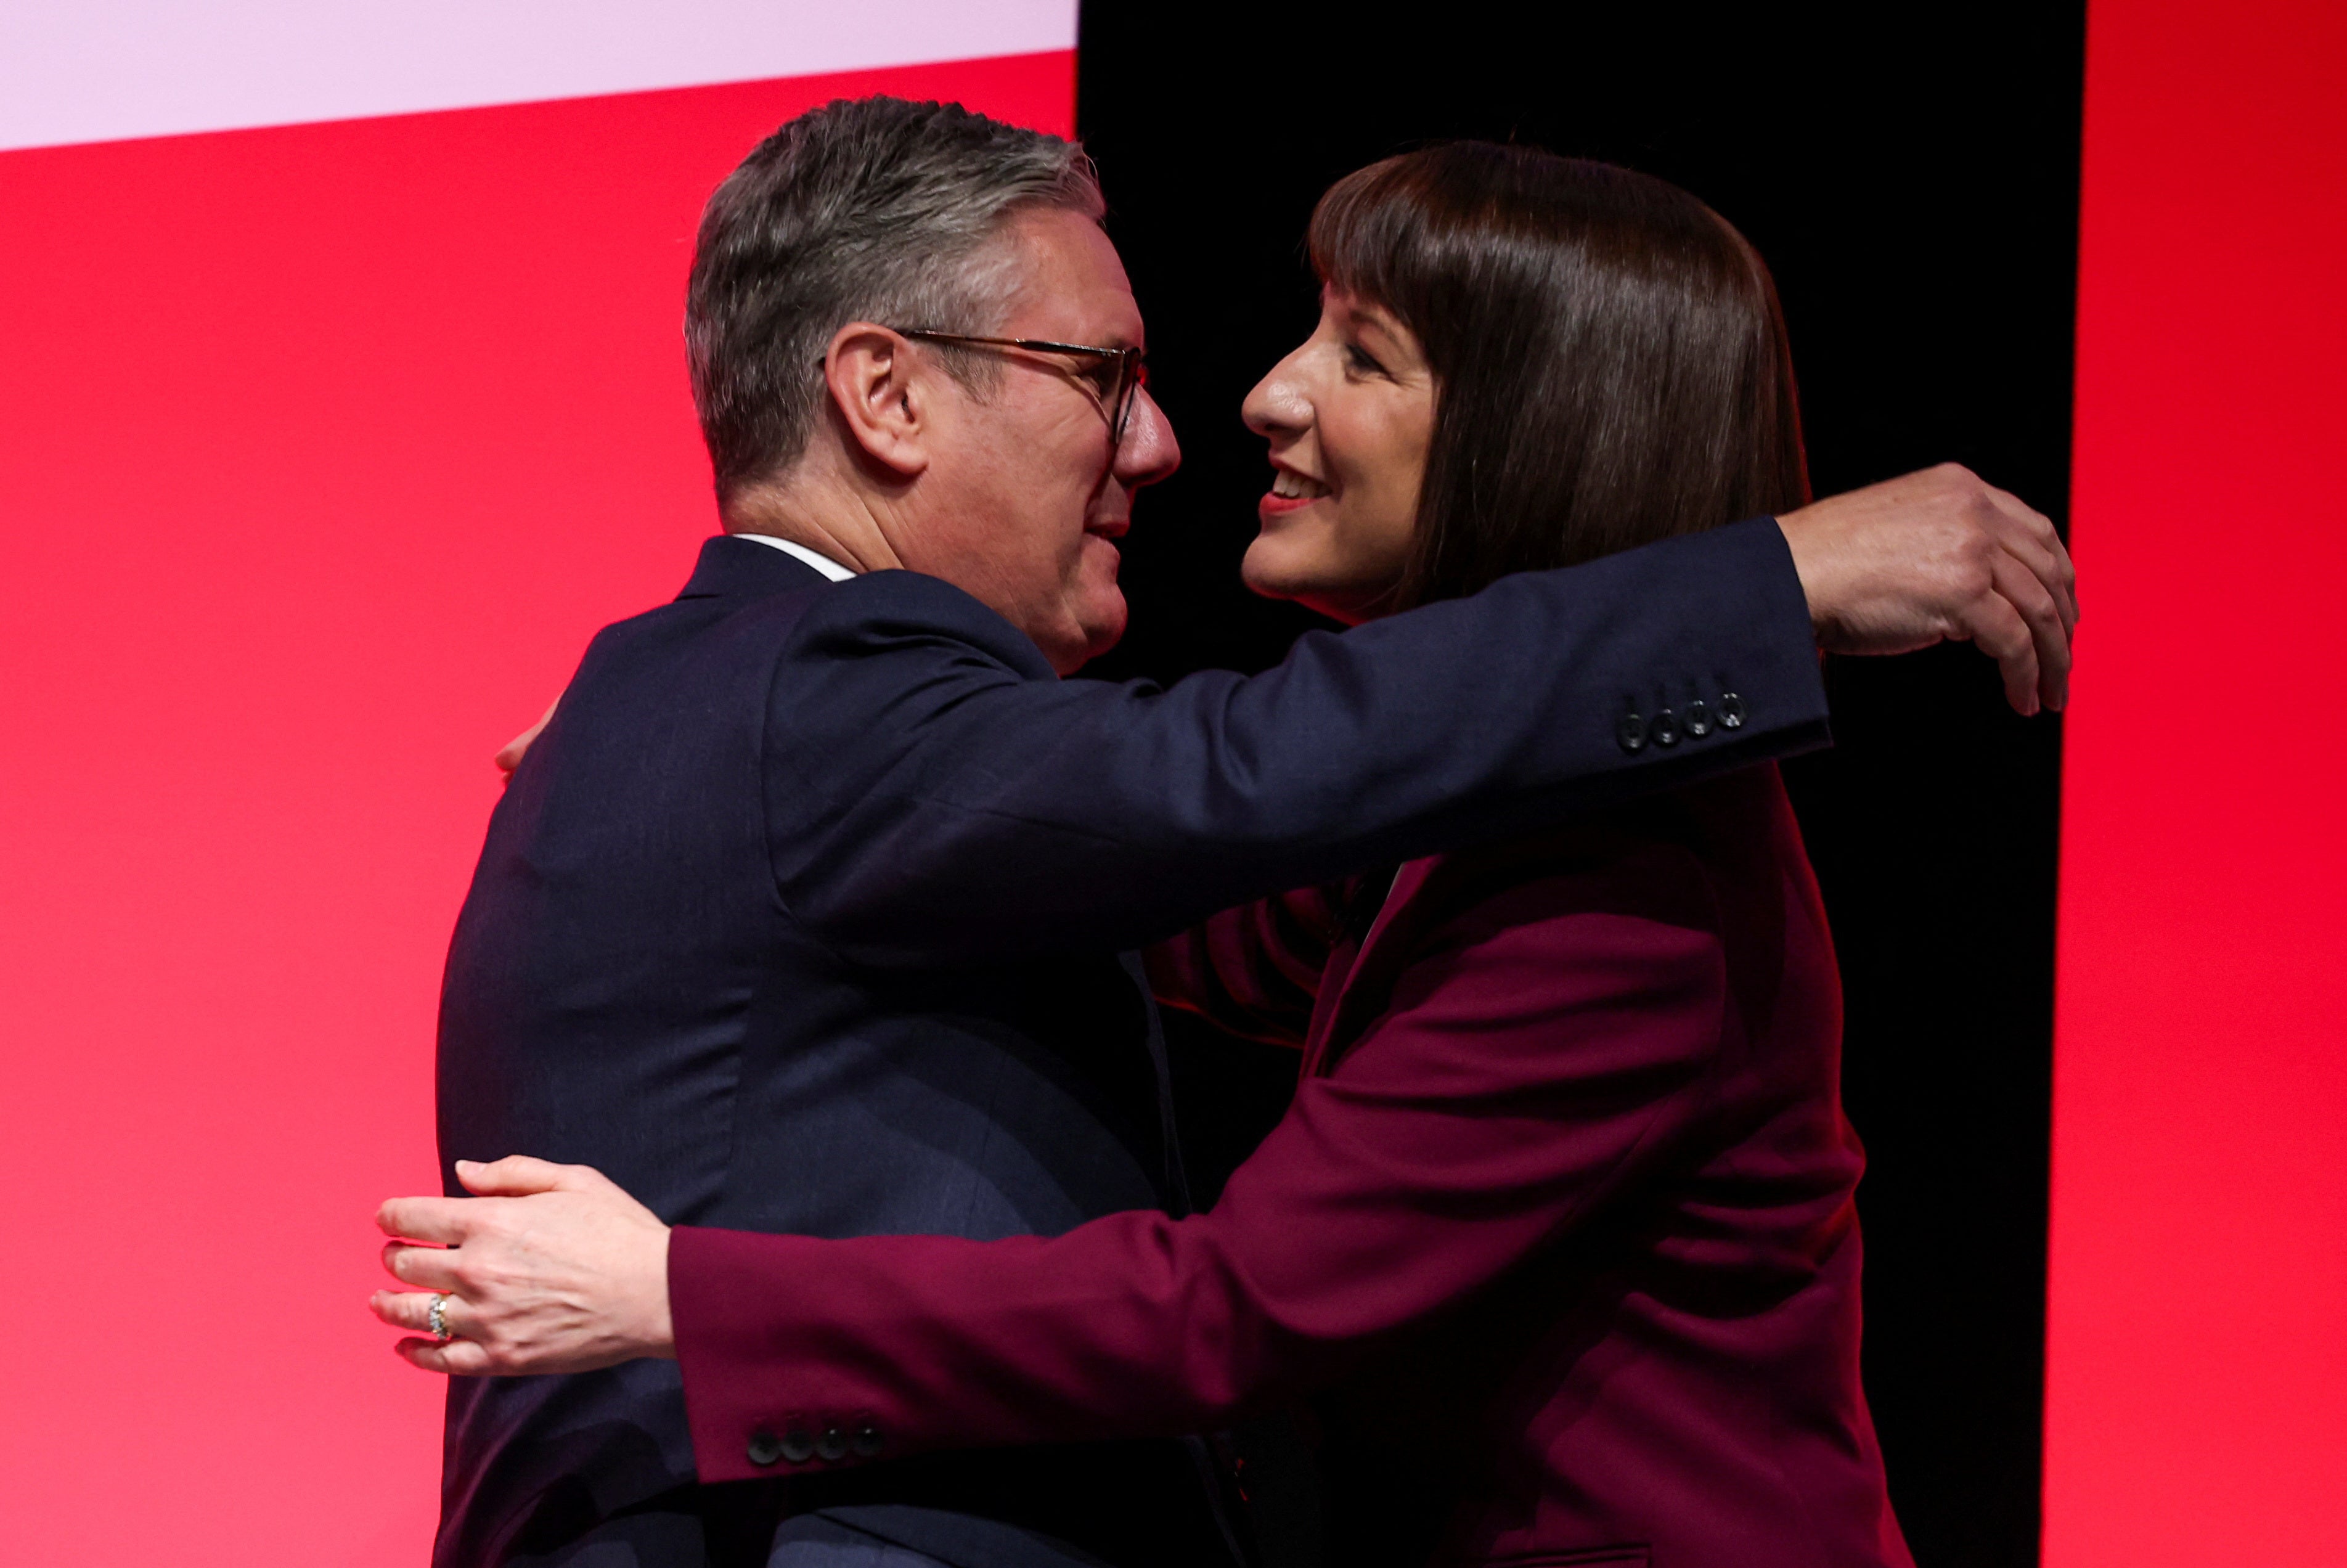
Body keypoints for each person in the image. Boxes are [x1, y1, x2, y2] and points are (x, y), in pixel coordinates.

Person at [383, 99, 2071, 1568]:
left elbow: (1232, 1268)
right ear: (885, 400)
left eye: (1362, 353)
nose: (1224, 413)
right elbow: (1219, 817)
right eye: (1102, 374)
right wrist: (714, 781)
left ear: (1528, 430)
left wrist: (689, 1280)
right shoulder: (821, 694)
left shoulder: (1622, 879)